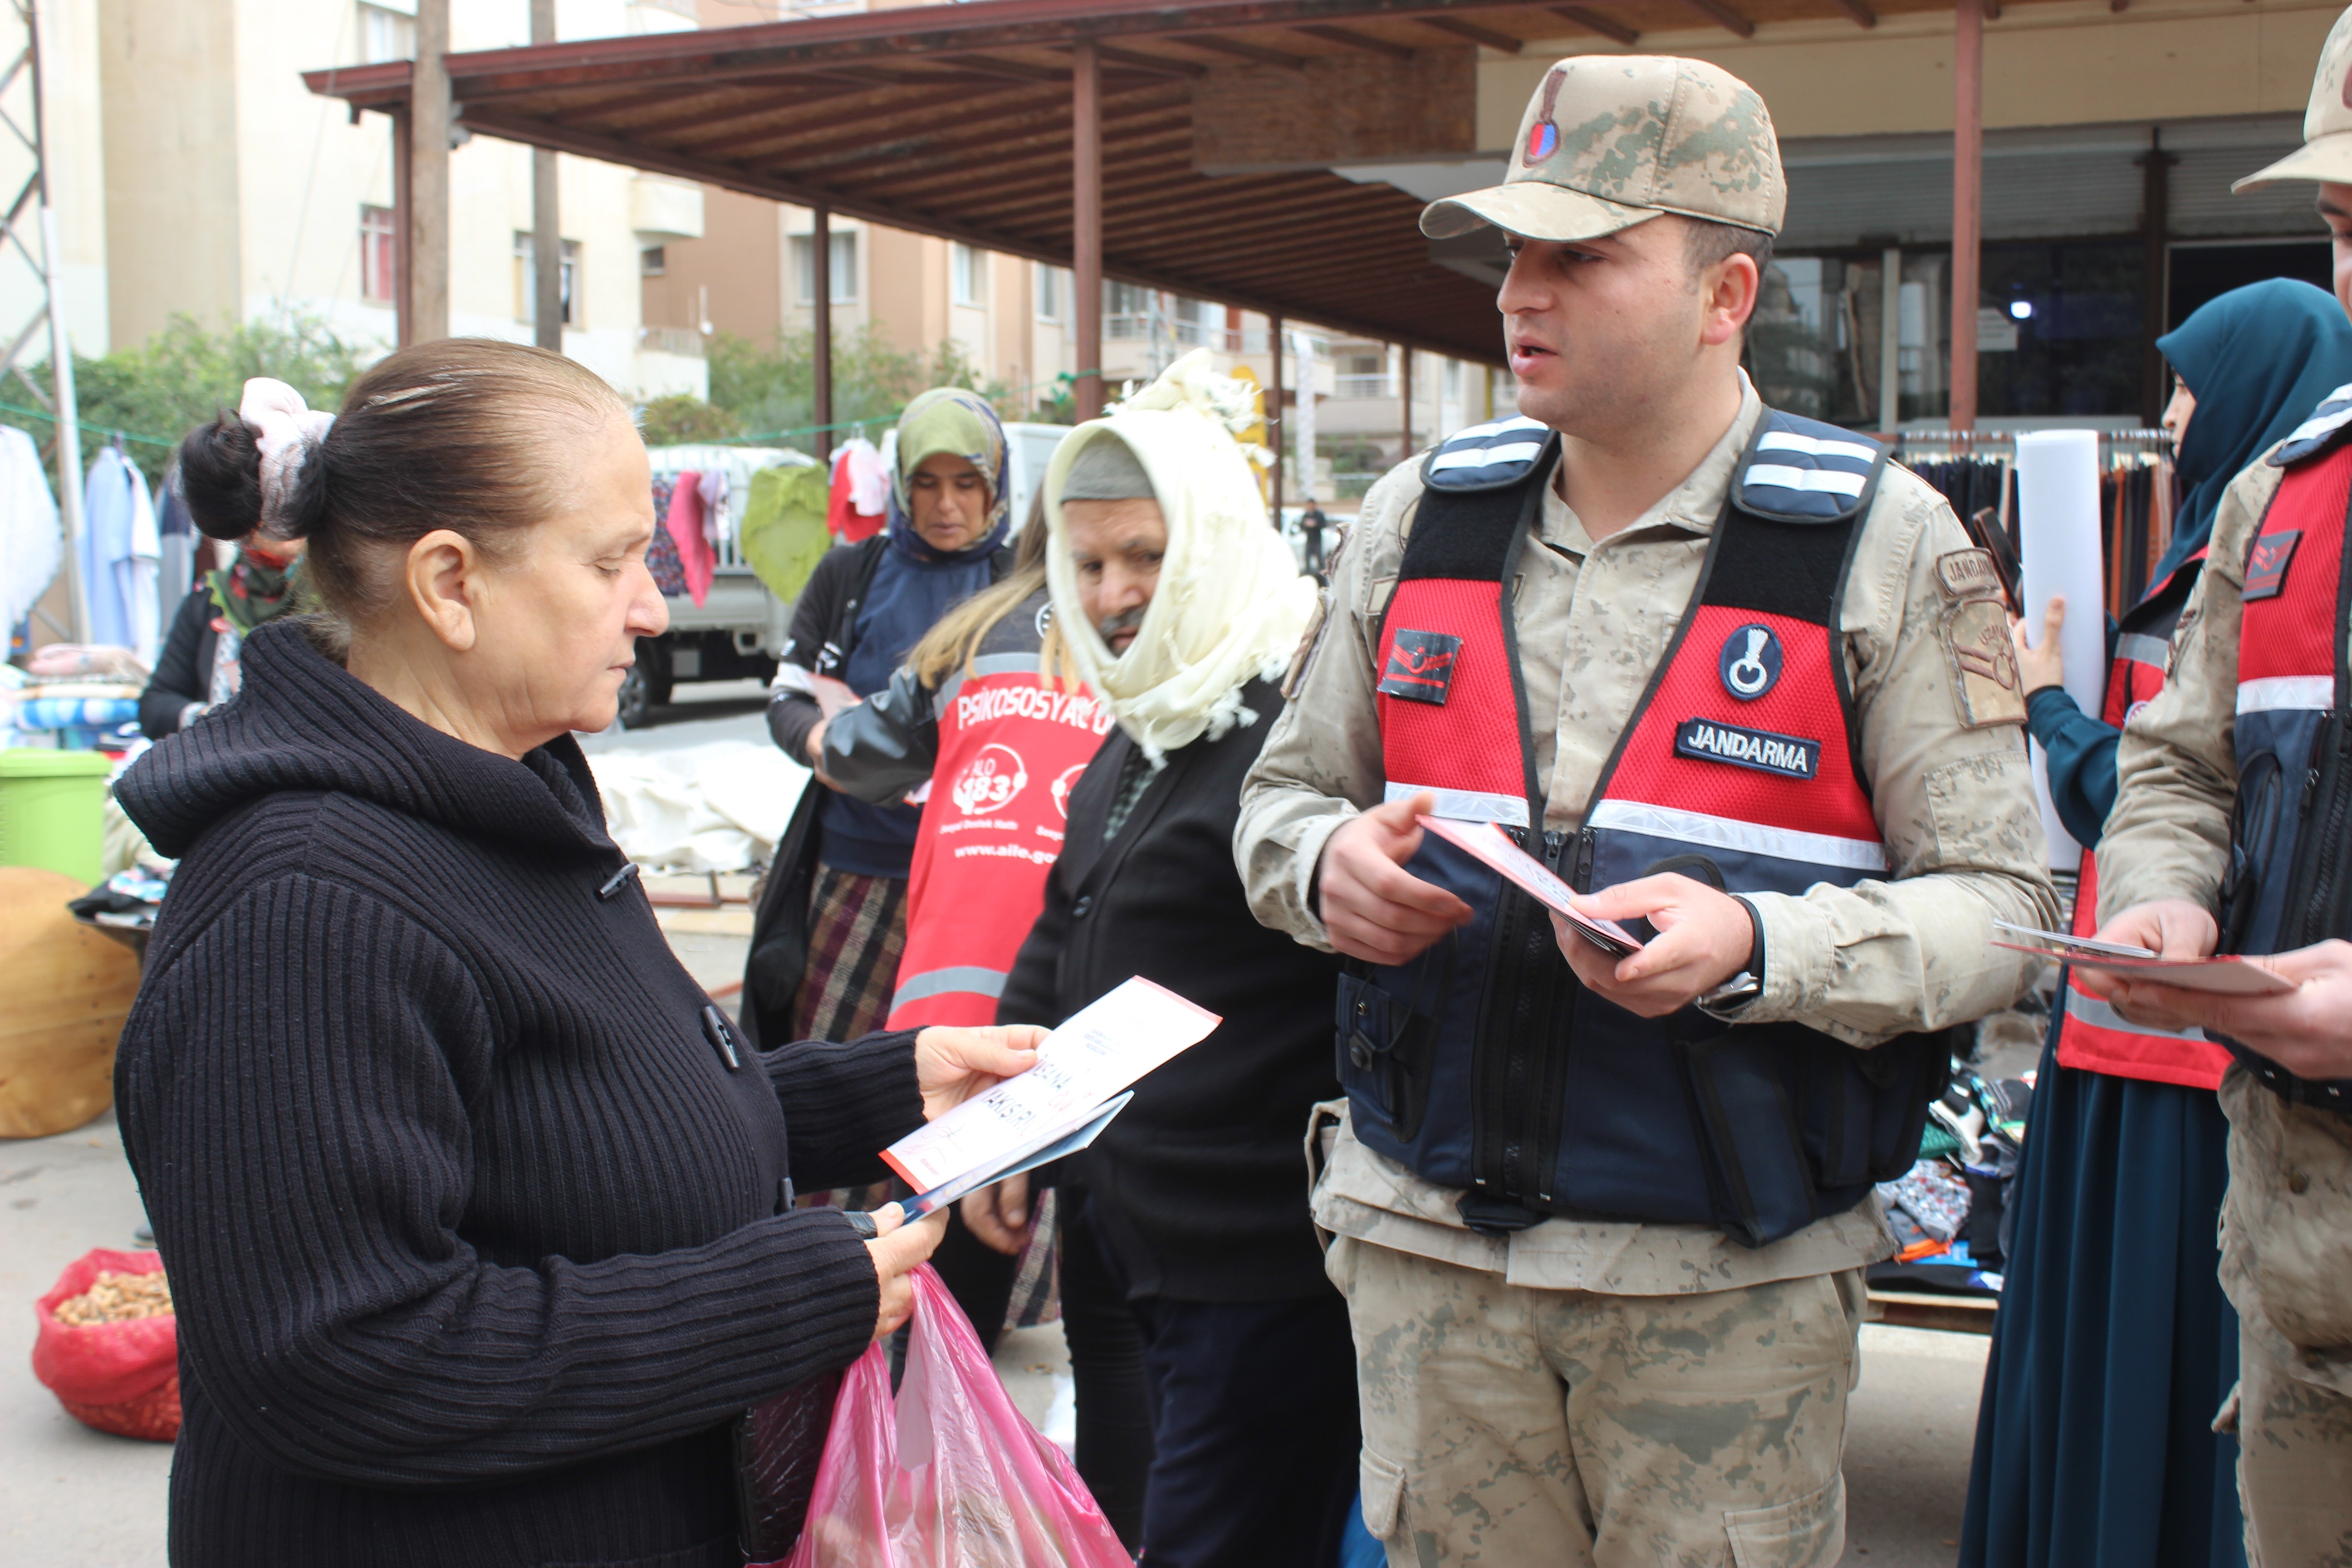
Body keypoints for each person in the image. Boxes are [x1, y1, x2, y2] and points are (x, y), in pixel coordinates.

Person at [1234, 55, 2057, 1564]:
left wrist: (1762, 942)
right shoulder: (1418, 514)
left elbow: (2008, 911)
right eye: (1512, 253)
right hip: (1426, 1264)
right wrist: (1321, 863)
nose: (1517, 292)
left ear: (1723, 292)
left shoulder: (1880, 546)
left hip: (1714, 1298)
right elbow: (1282, 800)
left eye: (1579, 254)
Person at [112, 348, 1041, 1568]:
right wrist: (777, 1302)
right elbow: (346, 1358)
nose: (654, 604)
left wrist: (885, 1088)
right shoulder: (307, 906)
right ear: (452, 584)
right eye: (612, 561)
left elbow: (586, 1122)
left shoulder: (506, 796)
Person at [1964, 279, 2352, 1568]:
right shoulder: (2258, 524)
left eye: (2188, 387)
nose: (2171, 416)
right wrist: (2157, 900)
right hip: (2158, 1032)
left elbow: (2122, 776)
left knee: (2168, 1387)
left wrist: (2050, 711)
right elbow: (2181, 778)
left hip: (2204, 1070)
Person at [963, 349, 1359, 1563]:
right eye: (1088, 564)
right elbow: (1064, 925)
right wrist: (1006, 1114)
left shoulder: (1292, 742)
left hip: (1257, 1270)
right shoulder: (1149, 727)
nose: (1117, 590)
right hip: (1129, 1242)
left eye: (1147, 556)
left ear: (1216, 548)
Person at [2077, 15, 2352, 1558]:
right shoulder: (2290, 489)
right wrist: (2164, 894)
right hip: (2301, 1267)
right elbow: (2179, 757)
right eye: (2344, 229)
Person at [814, 497, 1112, 1351]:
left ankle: (927, 1464)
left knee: (943, 1268)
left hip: (950, 991)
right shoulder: (1156, 646)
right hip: (1085, 996)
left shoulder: (969, 635)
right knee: (1105, 1282)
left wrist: (802, 721)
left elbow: (856, 755)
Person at [744, 387, 1013, 1051]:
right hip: (859, 868)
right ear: (900, 485)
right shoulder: (849, 574)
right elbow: (787, 696)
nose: (946, 505)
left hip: (977, 878)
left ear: (996, 486)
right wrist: (824, 747)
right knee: (836, 1060)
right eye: (925, 483)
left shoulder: (1023, 586)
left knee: (963, 1072)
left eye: (966, 483)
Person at [137, 522, 307, 737]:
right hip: (216, 760)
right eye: (271, 510)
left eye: (293, 511)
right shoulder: (210, 599)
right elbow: (155, 706)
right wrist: (213, 718)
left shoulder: (333, 607)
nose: (284, 522)